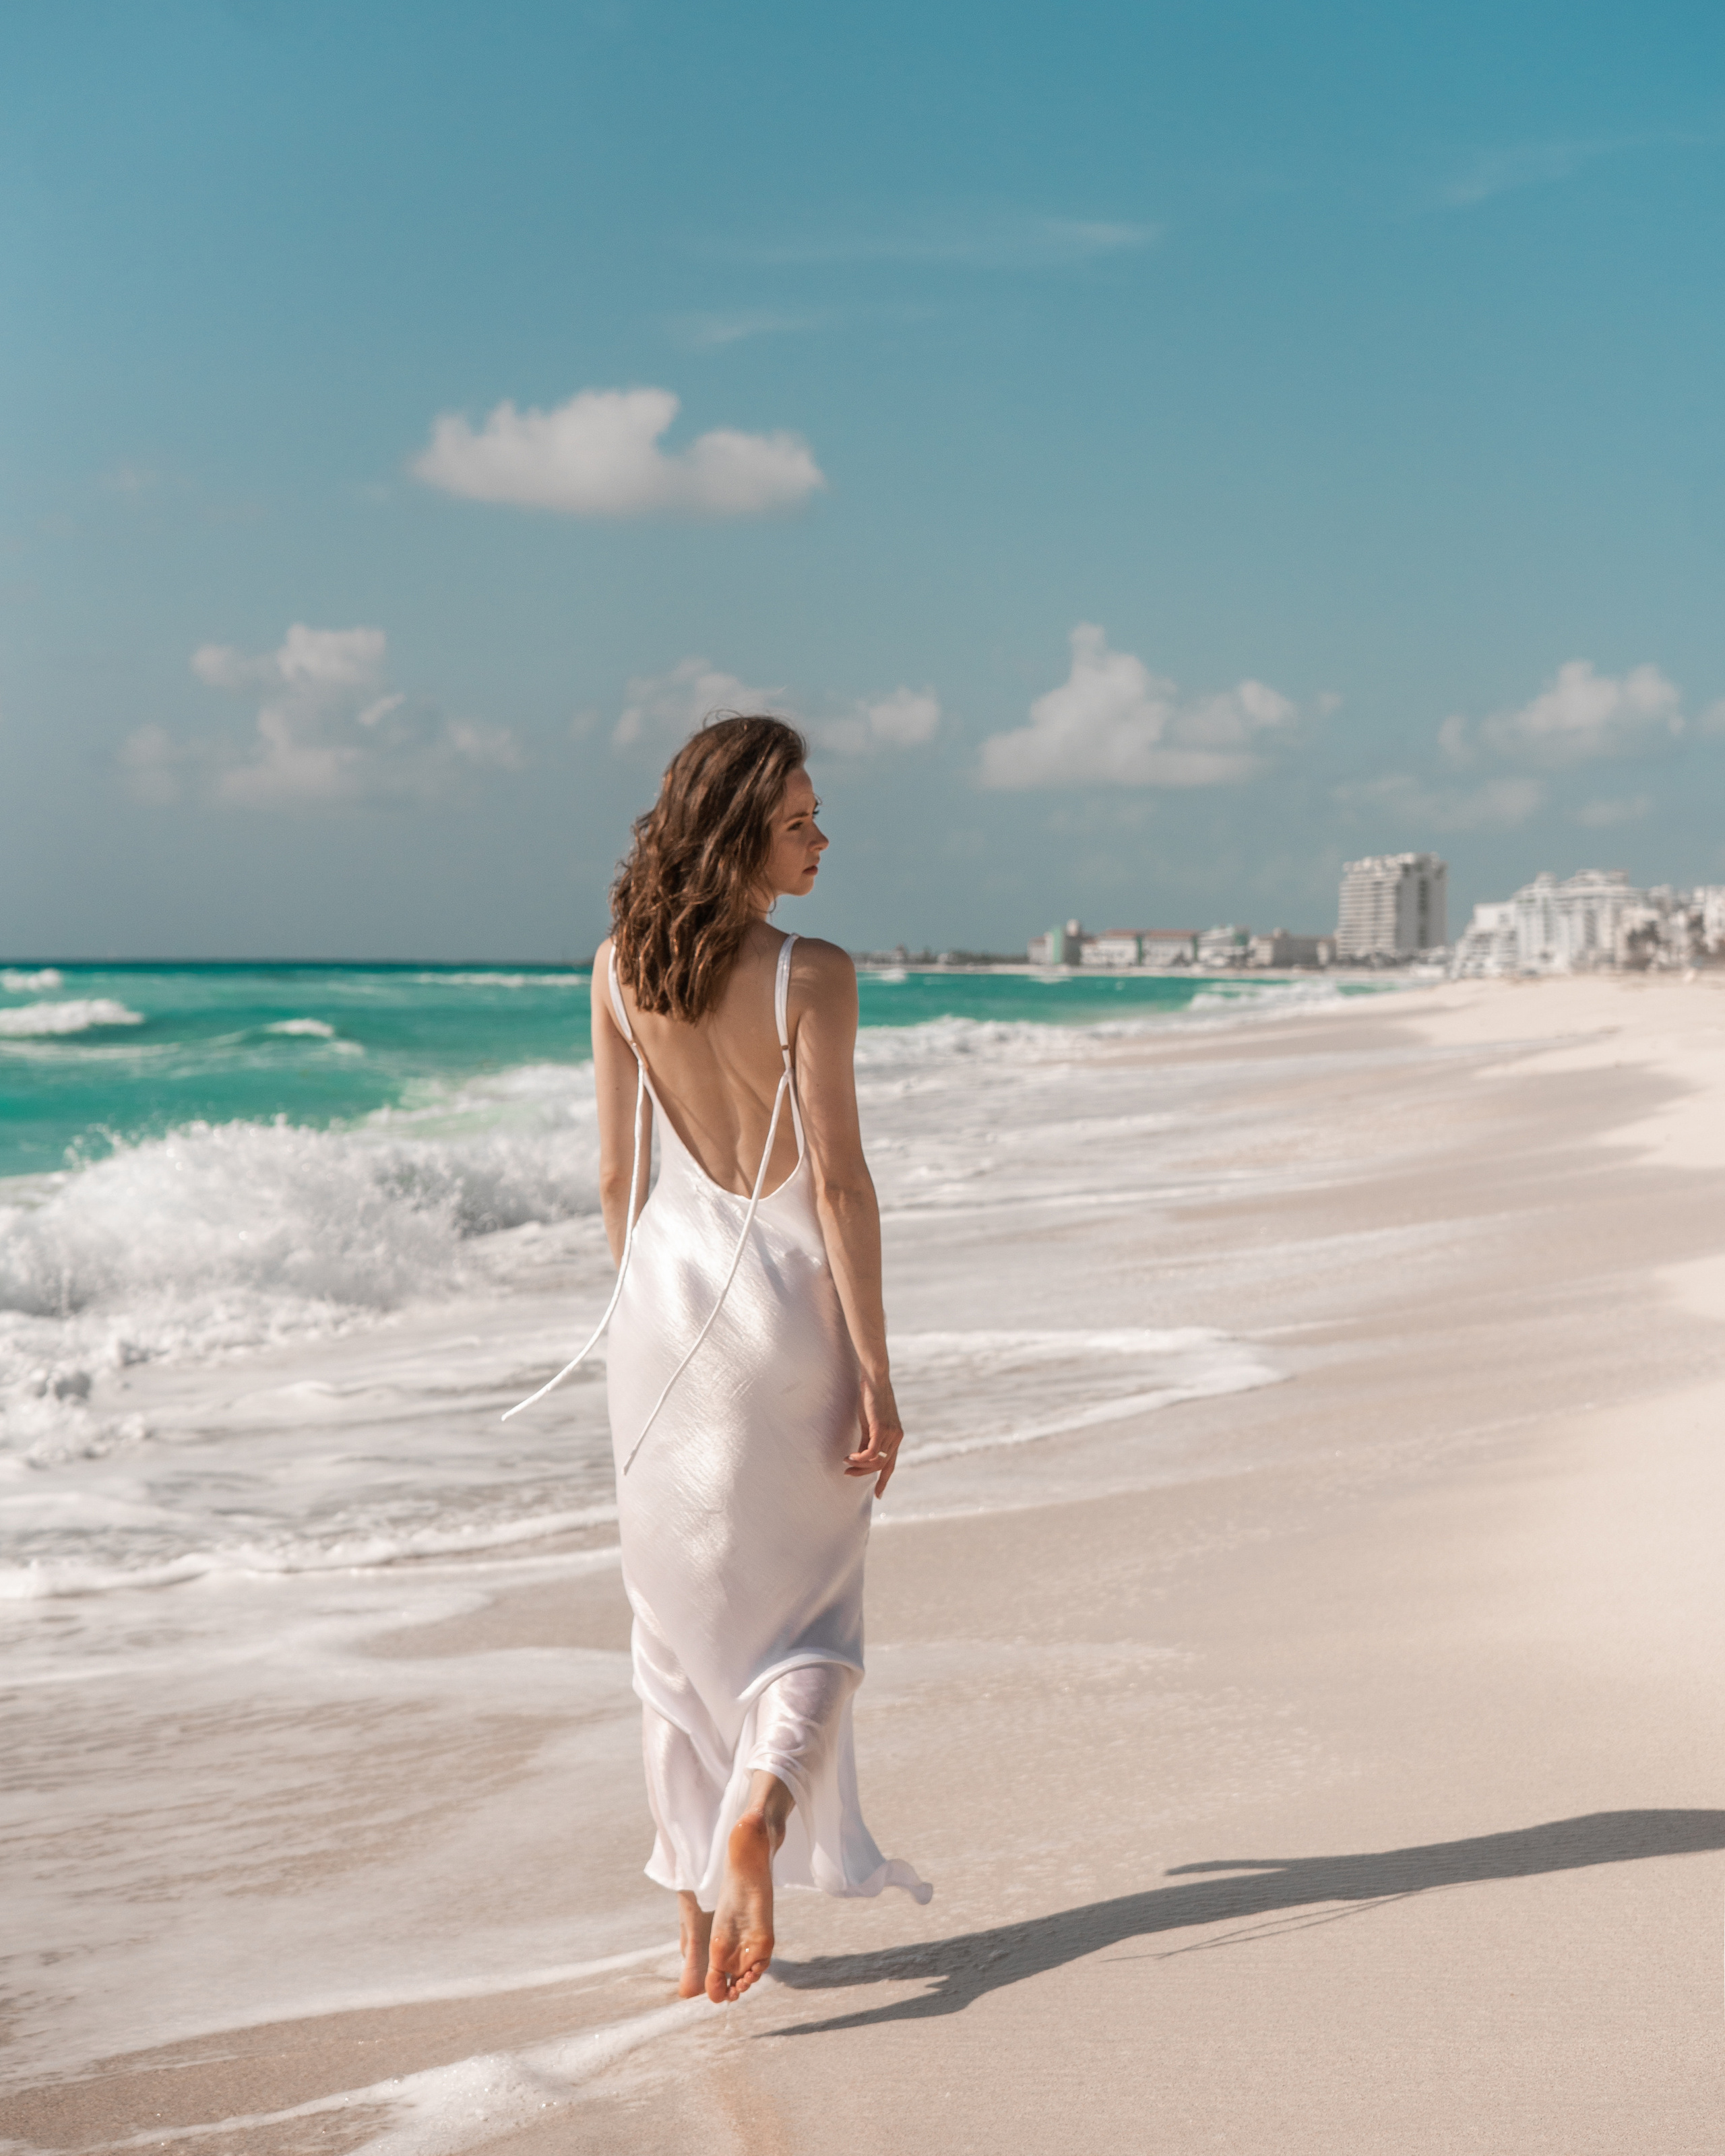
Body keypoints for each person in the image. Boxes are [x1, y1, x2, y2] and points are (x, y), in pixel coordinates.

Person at [588, 716, 931, 2005]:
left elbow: (617, 1178)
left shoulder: (617, 967)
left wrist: (644, 1314)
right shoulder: (812, 974)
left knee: (669, 1639)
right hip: (787, 1313)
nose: (822, 839)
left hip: (659, 1322)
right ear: (737, 836)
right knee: (813, 1619)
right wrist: (878, 1372)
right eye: (798, 822)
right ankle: (759, 1817)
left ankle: (691, 1945)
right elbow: (838, 1185)